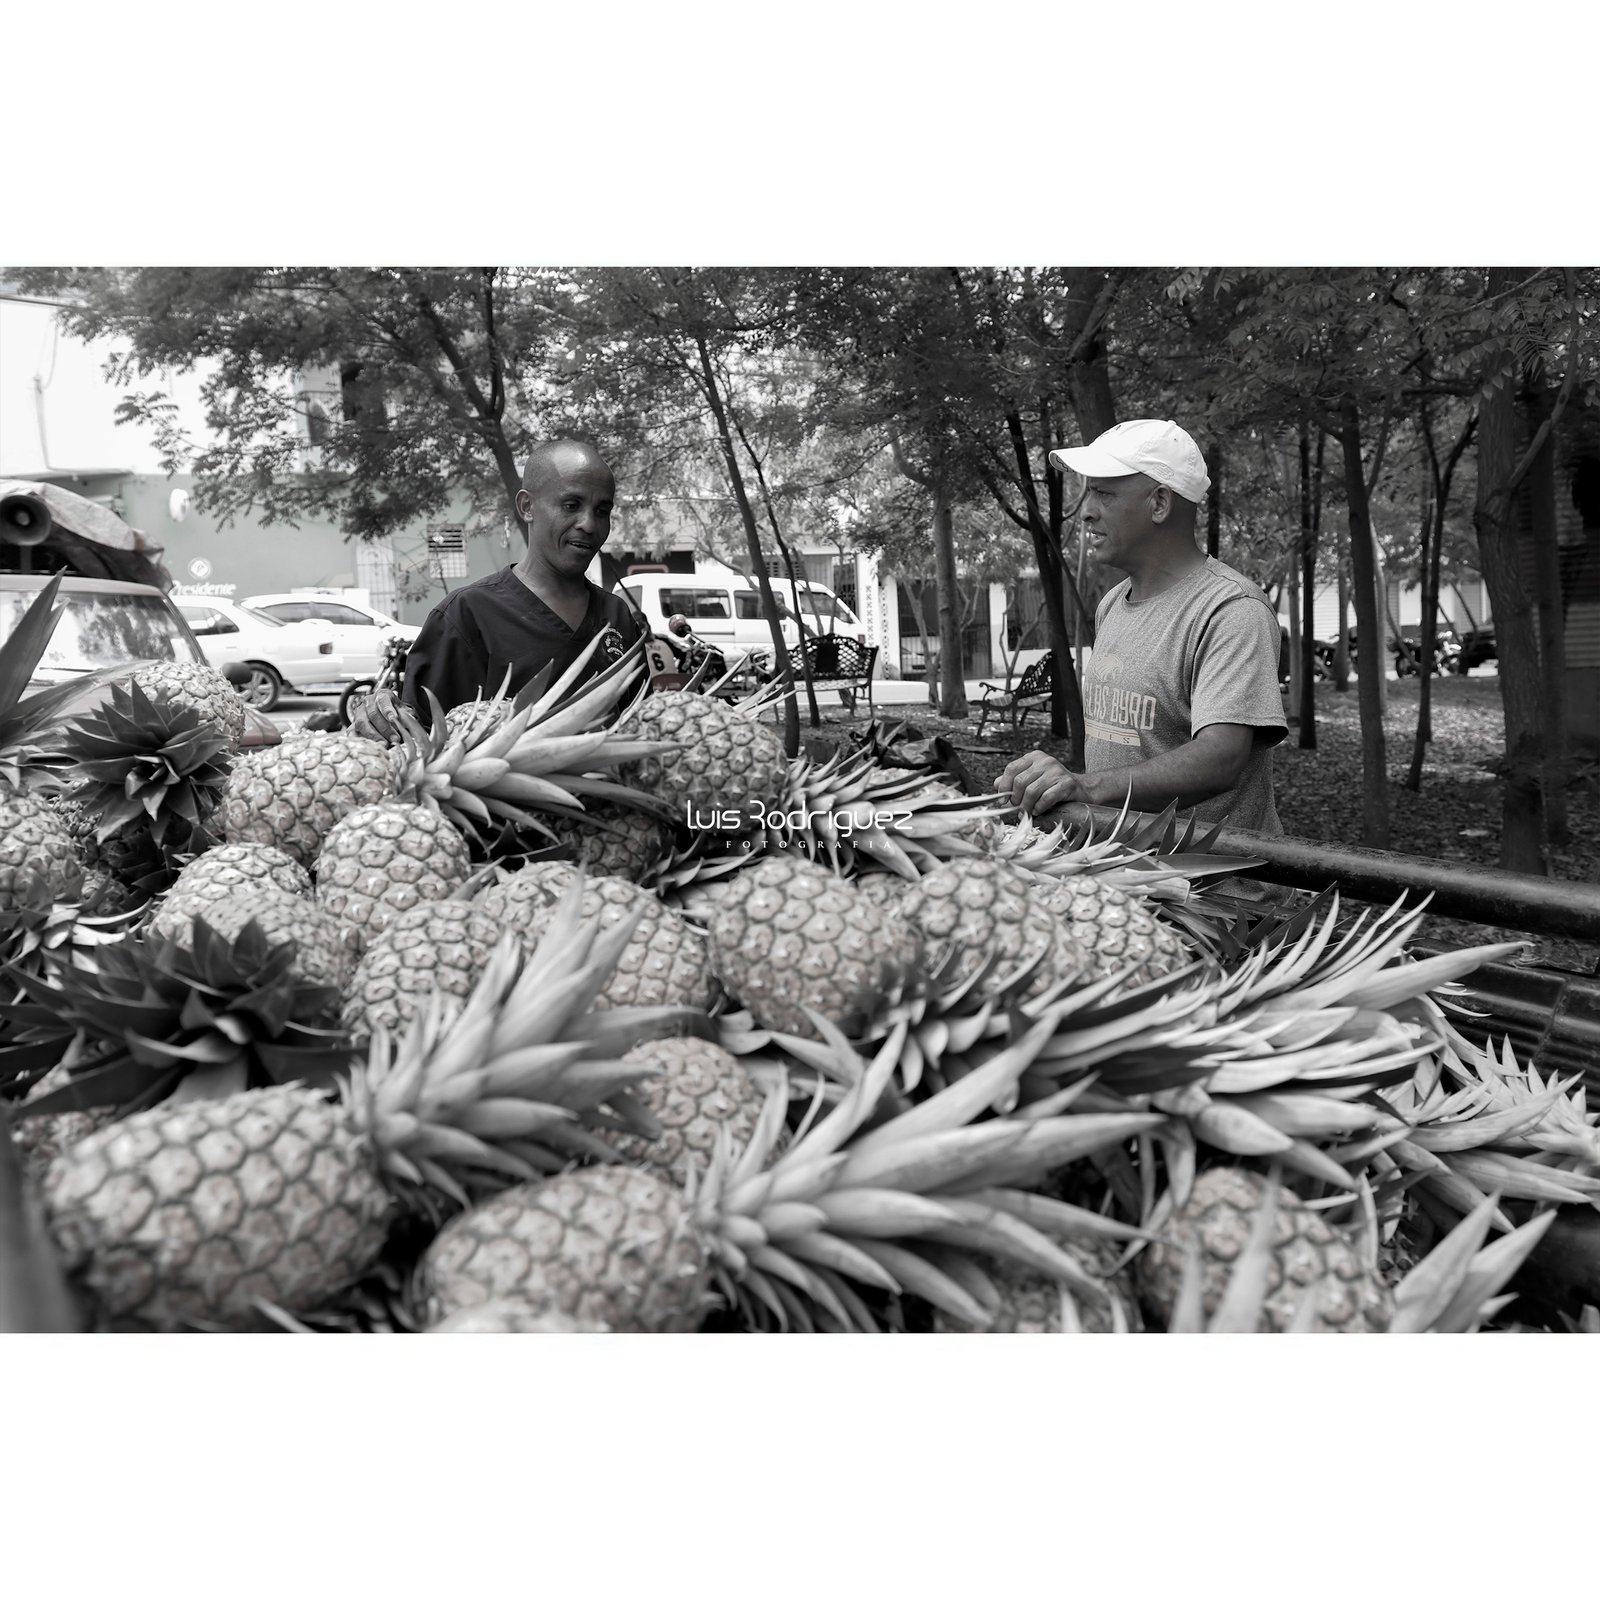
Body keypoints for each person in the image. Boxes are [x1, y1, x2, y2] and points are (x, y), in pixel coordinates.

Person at [998, 418, 1286, 835]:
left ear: (1159, 503)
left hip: (1210, 876)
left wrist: (1087, 787)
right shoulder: (1113, 604)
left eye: (1103, 493)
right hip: (1120, 867)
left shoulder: (1230, 610)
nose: (1086, 511)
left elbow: (1221, 759)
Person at [399, 439, 643, 721]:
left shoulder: (617, 615)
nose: (588, 524)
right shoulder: (466, 616)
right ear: (527, 506)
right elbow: (419, 733)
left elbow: (641, 724)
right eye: (571, 505)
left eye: (602, 511)